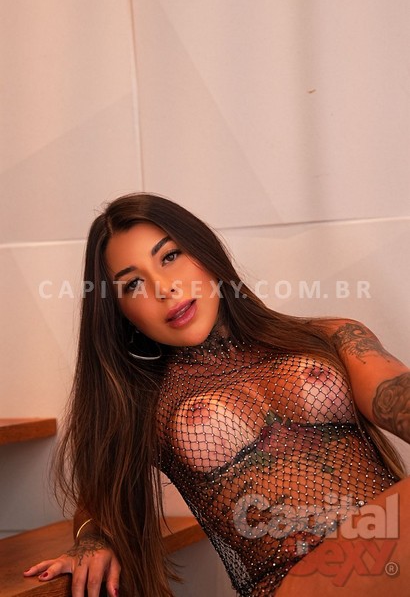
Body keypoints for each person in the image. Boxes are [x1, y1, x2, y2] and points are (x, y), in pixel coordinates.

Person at [24, 193, 410, 597]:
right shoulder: (145, 405)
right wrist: (92, 539)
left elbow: (390, 388)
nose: (164, 289)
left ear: (205, 251)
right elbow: (99, 498)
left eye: (170, 256)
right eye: (133, 283)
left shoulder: (330, 336)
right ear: (121, 312)